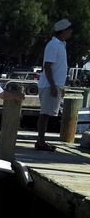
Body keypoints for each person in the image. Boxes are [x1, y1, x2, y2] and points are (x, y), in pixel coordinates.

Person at [36, 18, 73, 151]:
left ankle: (41, 141)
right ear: (63, 31)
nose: (71, 31)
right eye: (69, 29)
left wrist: (60, 87)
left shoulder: (62, 44)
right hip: (49, 84)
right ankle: (40, 142)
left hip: (55, 84)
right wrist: (52, 85)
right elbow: (47, 66)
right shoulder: (53, 45)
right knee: (45, 114)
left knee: (47, 113)